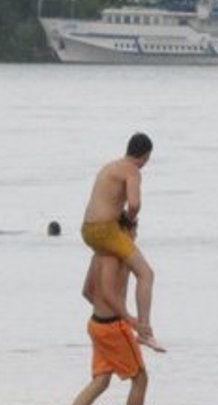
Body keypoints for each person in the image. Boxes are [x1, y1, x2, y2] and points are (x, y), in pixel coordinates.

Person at [54, 221, 148, 405]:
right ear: (123, 231)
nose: (135, 237)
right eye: (133, 231)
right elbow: (107, 291)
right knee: (140, 378)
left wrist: (103, 309)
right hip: (113, 326)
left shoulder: (99, 253)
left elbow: (87, 290)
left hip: (96, 323)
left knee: (101, 381)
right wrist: (130, 318)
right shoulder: (116, 253)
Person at [81, 132, 162, 351]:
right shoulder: (132, 170)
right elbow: (134, 204)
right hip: (106, 230)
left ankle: (109, 316)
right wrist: (129, 219)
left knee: (106, 278)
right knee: (146, 273)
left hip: (88, 230)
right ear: (146, 156)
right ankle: (143, 329)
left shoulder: (111, 166)